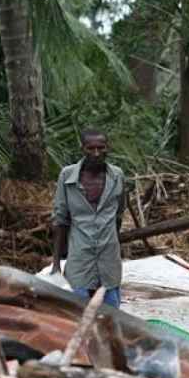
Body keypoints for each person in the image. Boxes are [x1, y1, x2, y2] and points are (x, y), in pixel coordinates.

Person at [51, 129, 126, 308]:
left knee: (111, 313)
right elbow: (60, 221)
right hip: (80, 256)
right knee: (77, 311)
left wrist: (113, 244)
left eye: (101, 148)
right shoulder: (67, 176)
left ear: (108, 148)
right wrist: (56, 264)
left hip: (109, 258)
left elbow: (118, 214)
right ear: (82, 149)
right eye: (90, 148)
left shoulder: (117, 176)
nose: (96, 153)